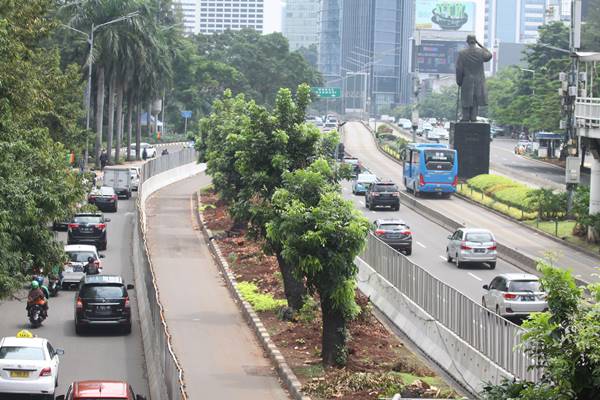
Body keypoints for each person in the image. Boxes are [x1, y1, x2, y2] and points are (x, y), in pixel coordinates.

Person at [455, 35, 492, 122]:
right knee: (475, 99)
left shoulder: (462, 53)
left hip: (467, 79)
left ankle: (465, 117)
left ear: (467, 41)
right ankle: (473, 117)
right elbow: (489, 55)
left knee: (466, 99)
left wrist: (459, 81)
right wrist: (480, 45)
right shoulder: (481, 52)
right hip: (479, 80)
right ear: (475, 41)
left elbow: (459, 69)